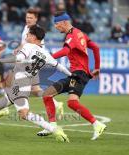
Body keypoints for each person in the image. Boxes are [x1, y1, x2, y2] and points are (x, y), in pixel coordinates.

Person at [38, 12, 106, 140]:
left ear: (64, 22)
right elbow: (95, 48)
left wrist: (48, 58)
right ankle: (52, 127)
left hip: (79, 74)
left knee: (72, 103)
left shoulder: (71, 36)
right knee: (47, 94)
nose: (56, 27)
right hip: (75, 74)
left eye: (57, 24)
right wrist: (97, 67)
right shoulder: (80, 33)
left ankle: (97, 124)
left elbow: (65, 51)